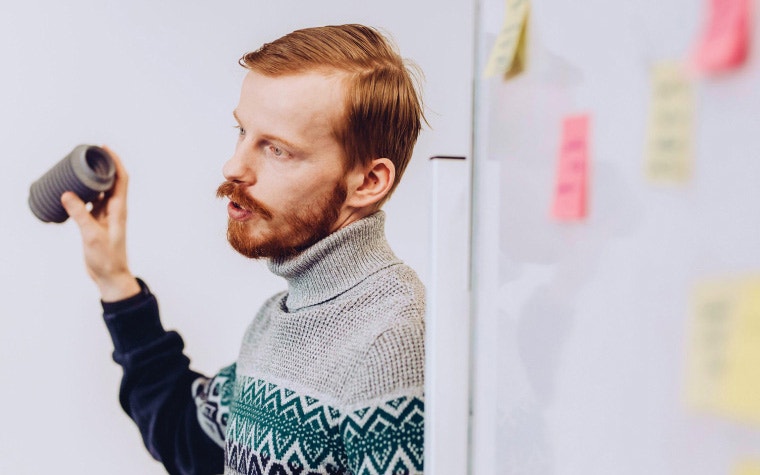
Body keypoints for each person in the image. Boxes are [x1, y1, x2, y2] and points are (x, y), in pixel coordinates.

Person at [61, 24, 426, 475]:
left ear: (369, 182)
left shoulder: (394, 345)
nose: (234, 166)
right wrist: (114, 279)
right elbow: (190, 436)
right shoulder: (281, 318)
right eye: (242, 131)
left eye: (276, 149)